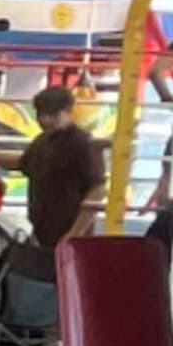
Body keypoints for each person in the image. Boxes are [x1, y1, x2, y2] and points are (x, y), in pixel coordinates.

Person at [19, 82, 106, 253]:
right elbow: (22, 163)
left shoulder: (82, 143)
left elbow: (98, 189)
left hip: (70, 231)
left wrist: (75, 233)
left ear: (68, 112)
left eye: (53, 115)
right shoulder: (42, 141)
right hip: (43, 228)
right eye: (41, 115)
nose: (45, 120)